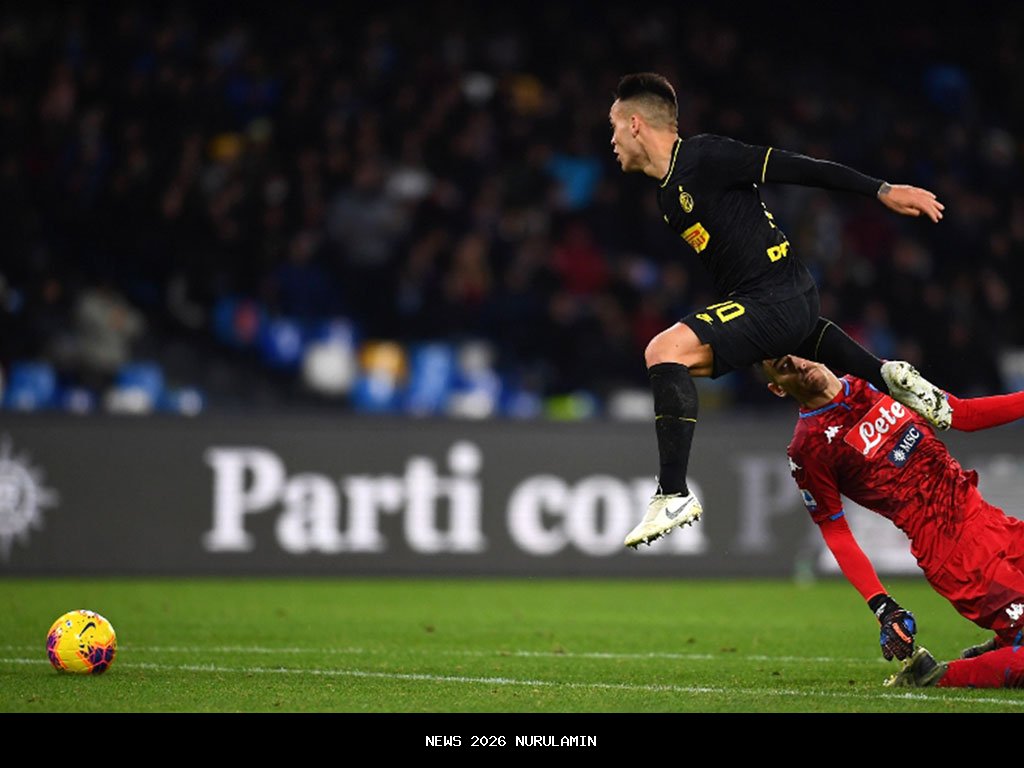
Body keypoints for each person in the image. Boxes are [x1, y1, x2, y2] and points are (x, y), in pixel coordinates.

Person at [609, 72, 950, 549]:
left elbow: (799, 167)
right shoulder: (668, 195)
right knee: (677, 365)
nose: (612, 140)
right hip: (783, 303)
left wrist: (882, 190)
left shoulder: (704, 155)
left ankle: (673, 493)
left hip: (779, 295)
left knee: (663, 350)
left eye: (614, 127)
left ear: (636, 123)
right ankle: (887, 374)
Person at [762, 353, 1024, 689]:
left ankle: (1005, 644)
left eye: (795, 355)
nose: (797, 365)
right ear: (778, 389)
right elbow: (835, 529)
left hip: (990, 521)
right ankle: (933, 677)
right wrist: (882, 606)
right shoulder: (808, 447)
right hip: (957, 555)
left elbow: (961, 414)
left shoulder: (879, 378)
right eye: (783, 368)